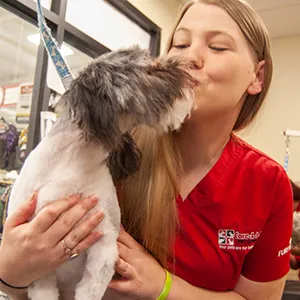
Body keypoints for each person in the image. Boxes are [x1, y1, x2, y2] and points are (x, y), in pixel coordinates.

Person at [0, 0, 294, 299]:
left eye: (217, 47)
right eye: (180, 44)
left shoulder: (267, 183)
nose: (190, 57)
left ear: (256, 76)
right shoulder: (110, 149)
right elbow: (38, 281)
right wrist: (10, 273)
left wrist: (164, 286)